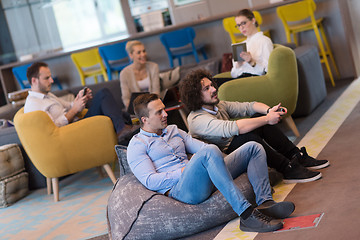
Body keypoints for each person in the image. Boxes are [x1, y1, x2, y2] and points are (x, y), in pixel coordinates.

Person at [127, 93, 295, 233]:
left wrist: (216, 164)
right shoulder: (137, 145)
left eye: (164, 109)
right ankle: (246, 215)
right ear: (145, 119)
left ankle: (265, 202)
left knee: (252, 147)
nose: (165, 114)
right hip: (182, 190)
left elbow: (204, 148)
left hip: (203, 176)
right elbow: (150, 181)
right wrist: (185, 171)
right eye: (159, 112)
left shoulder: (174, 130)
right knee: (209, 152)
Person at [179, 69, 330, 184]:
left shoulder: (218, 105)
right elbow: (233, 128)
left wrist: (268, 111)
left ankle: (296, 156)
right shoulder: (197, 119)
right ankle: (287, 169)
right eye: (206, 89)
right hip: (223, 160)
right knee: (248, 137)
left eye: (212, 85)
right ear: (195, 96)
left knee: (257, 120)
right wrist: (267, 119)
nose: (213, 89)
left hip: (233, 144)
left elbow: (248, 106)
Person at [24, 62, 134, 143]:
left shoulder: (47, 95)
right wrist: (74, 110)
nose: (51, 81)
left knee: (120, 115)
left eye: (51, 77)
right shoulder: (34, 105)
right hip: (72, 132)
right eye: (46, 78)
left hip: (77, 123)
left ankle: (124, 134)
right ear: (34, 81)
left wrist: (80, 98)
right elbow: (53, 128)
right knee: (103, 95)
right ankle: (123, 132)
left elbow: (69, 106)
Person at [230, 9, 273, 78]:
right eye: (238, 25)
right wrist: (238, 65)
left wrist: (251, 62)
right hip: (240, 79)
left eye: (243, 23)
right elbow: (233, 74)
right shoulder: (241, 45)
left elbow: (268, 72)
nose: (241, 27)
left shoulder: (264, 41)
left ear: (253, 20)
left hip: (253, 79)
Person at [120, 40, 161, 110]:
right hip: (136, 108)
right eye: (139, 52)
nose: (143, 55)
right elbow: (126, 98)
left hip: (153, 105)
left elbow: (156, 91)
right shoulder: (124, 73)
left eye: (144, 51)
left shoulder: (154, 67)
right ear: (131, 55)